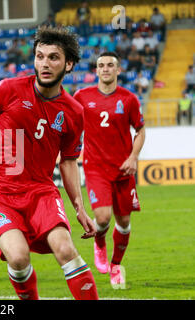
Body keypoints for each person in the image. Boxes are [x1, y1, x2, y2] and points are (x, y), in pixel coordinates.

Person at [0, 25, 99, 300]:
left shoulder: (74, 112)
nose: (45, 64)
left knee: (65, 248)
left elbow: (69, 162)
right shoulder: (9, 89)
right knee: (18, 257)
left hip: (40, 192)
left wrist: (80, 208)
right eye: (40, 56)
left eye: (53, 57)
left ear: (69, 64)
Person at [73, 52, 145, 289]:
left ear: (118, 70)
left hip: (123, 170)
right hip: (96, 169)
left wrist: (133, 157)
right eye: (101, 65)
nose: (105, 69)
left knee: (124, 222)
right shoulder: (82, 97)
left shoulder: (129, 99)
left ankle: (116, 266)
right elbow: (70, 123)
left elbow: (140, 131)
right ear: (96, 70)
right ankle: (100, 243)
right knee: (103, 218)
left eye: (110, 65)